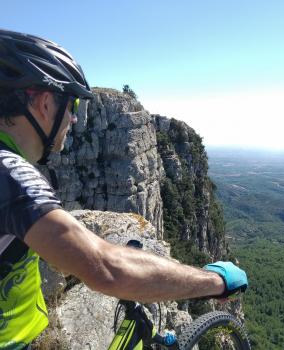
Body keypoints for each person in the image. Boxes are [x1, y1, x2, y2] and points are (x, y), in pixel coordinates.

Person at [0, 29, 248, 349]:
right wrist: (216, 282)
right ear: (45, 103)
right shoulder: (12, 175)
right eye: (72, 104)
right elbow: (107, 268)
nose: (75, 119)